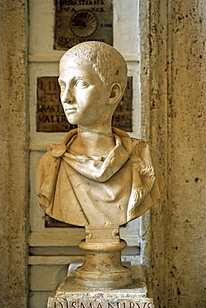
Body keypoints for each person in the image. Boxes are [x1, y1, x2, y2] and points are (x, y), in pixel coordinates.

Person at [36, 41, 164, 227]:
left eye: (80, 83)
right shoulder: (50, 165)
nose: (65, 97)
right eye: (62, 85)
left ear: (112, 94)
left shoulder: (142, 162)